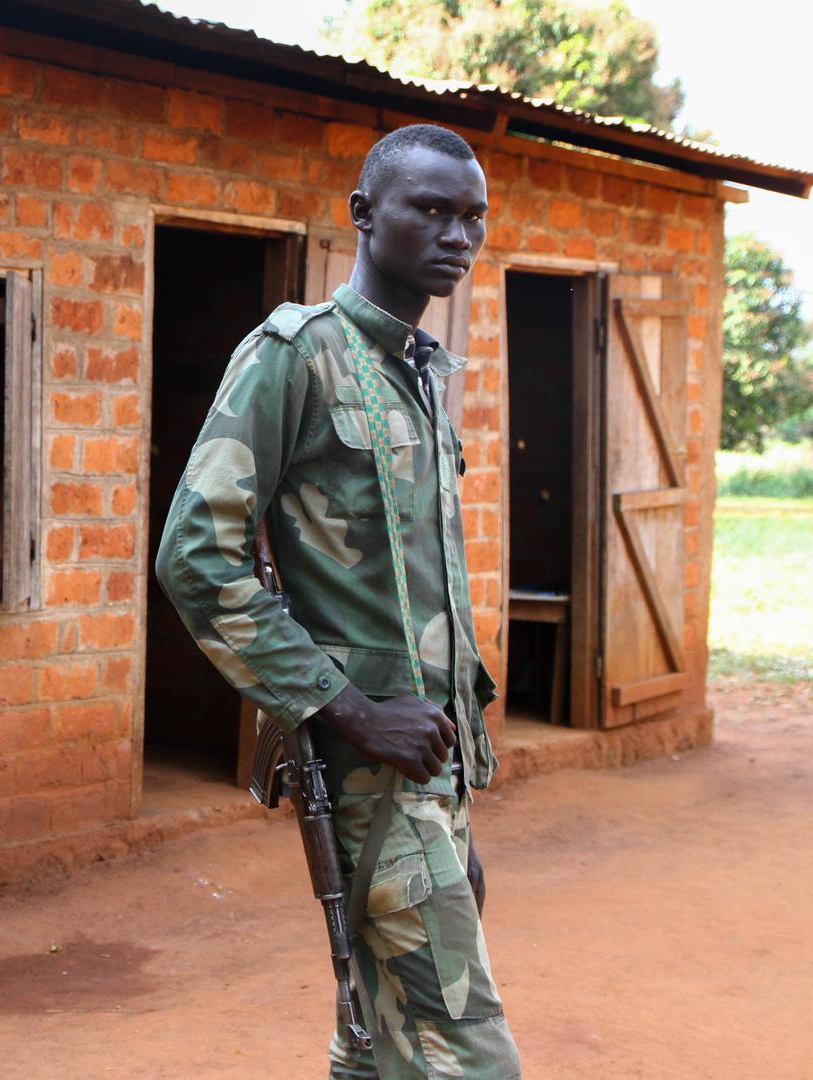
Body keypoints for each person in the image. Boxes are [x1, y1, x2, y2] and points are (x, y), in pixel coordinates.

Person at [155, 123, 521, 1079]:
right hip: (367, 762)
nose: (458, 235)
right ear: (363, 214)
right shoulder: (295, 355)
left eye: (472, 216)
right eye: (431, 210)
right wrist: (349, 711)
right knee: (472, 1061)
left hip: (432, 767)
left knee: (373, 1043)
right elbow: (197, 556)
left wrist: (454, 794)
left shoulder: (424, 372)